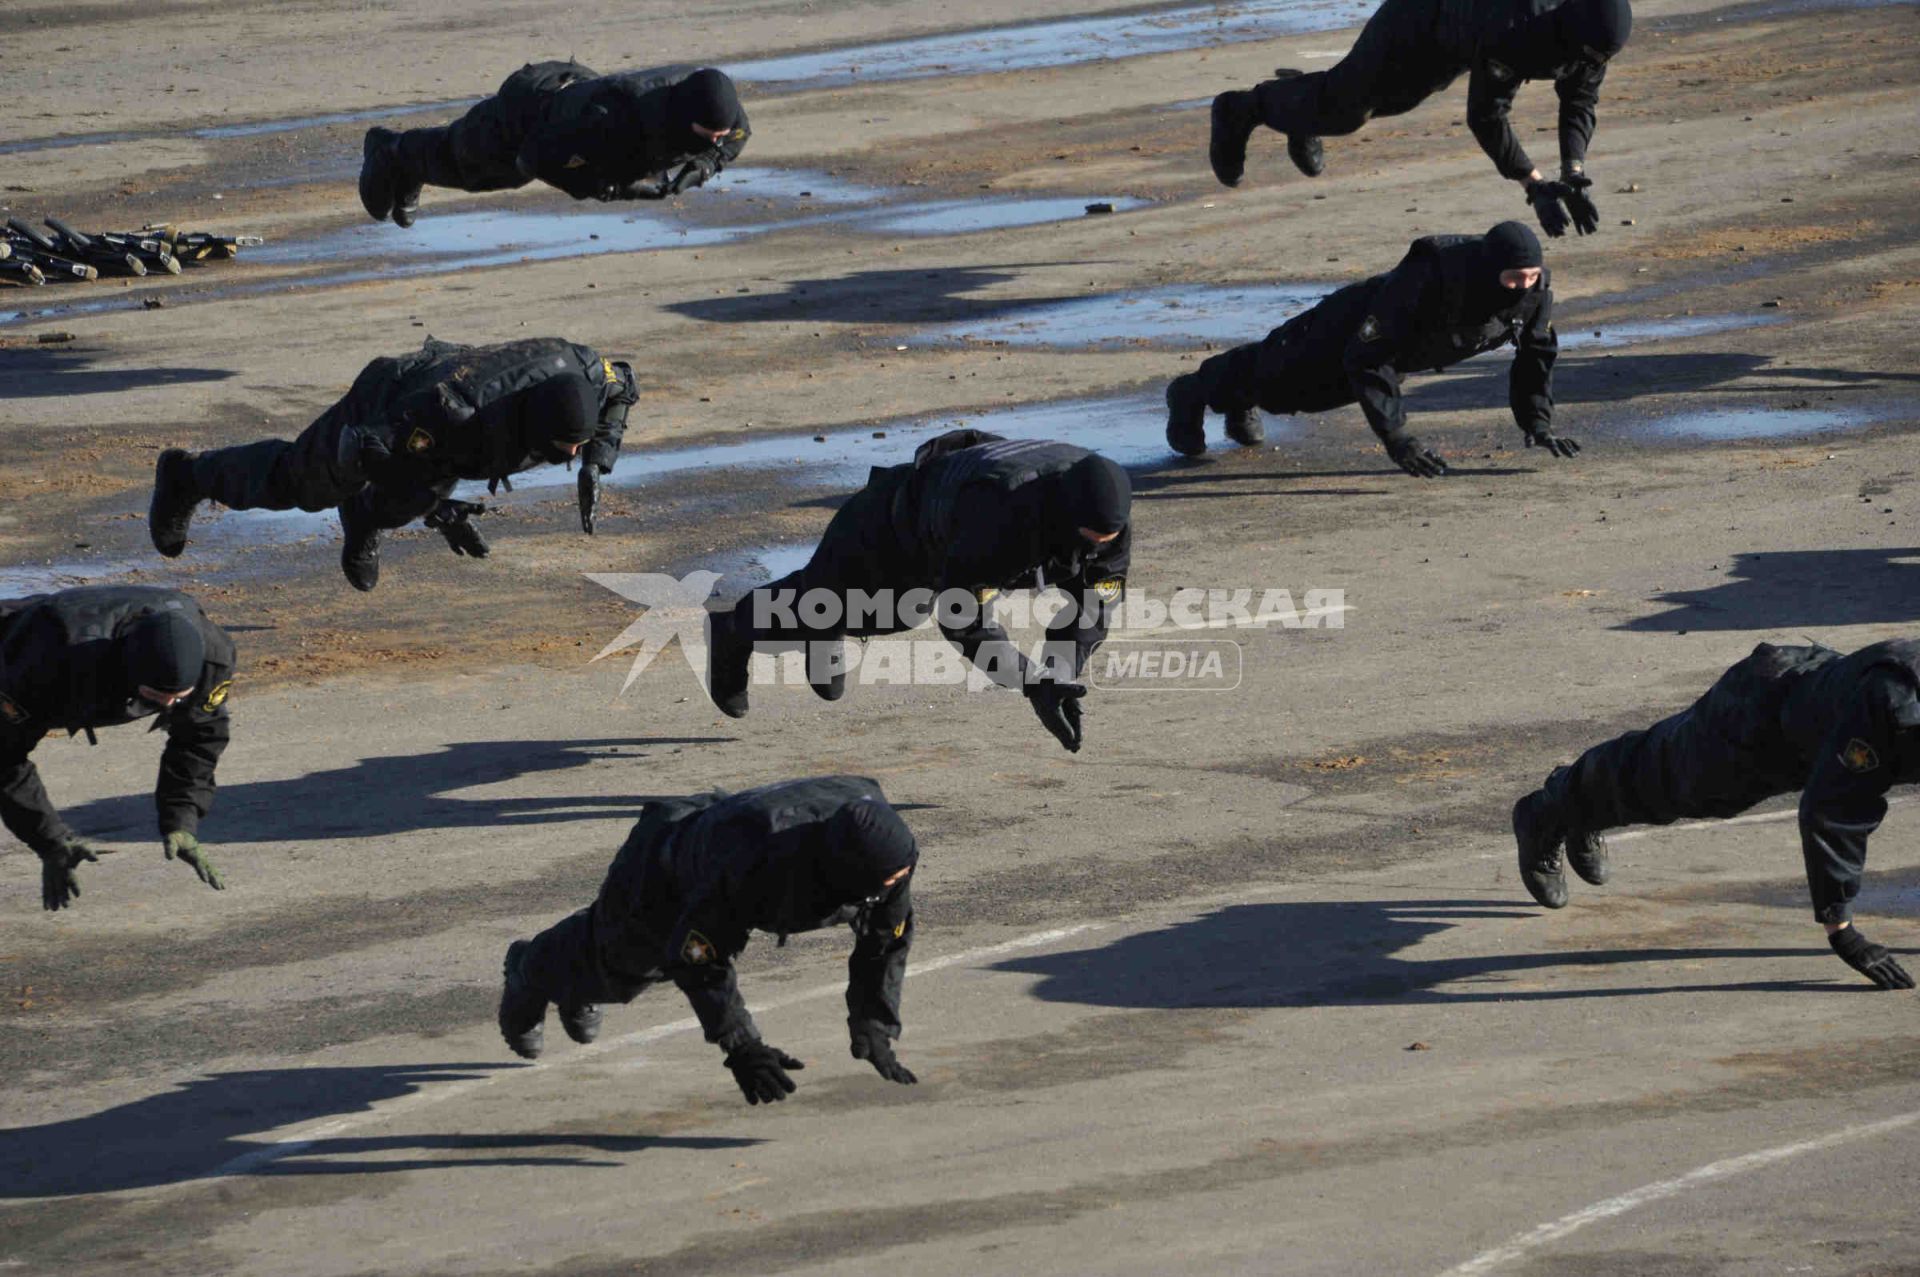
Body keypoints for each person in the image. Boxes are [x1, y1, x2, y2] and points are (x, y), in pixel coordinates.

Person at [1514, 639, 1920, 990]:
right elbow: (1832, 810)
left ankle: (1583, 812)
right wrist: (1841, 930)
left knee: (1662, 784)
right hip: (1757, 718)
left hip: (1809, 724)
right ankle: (1548, 811)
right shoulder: (1892, 703)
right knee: (1661, 781)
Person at [498, 776, 921, 1104]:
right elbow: (700, 958)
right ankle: (527, 968)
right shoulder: (756, 869)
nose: (896, 884)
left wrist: (874, 1023)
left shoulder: (887, 855)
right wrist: (742, 1045)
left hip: (725, 838)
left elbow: (885, 936)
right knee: (624, 970)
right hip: (663, 873)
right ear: (847, 869)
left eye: (899, 876)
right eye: (889, 879)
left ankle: (576, 975)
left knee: (608, 959)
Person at [705, 430, 1131, 753]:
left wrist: (1057, 674)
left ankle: (831, 626)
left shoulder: (1107, 513)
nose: (1096, 547)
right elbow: (964, 619)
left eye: (1105, 539)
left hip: (943, 528)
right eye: (1088, 536)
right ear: (1062, 513)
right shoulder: (999, 519)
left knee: (899, 611)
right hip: (887, 525)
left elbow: (1093, 605)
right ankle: (732, 630)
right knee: (843, 605)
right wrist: (1029, 682)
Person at [148, 337, 637, 590]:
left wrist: (598, 460)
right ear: (534, 422)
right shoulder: (451, 410)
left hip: (455, 438)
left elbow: (623, 388)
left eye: (578, 445)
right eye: (565, 446)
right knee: (302, 485)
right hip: (388, 407)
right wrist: (436, 511)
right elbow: (371, 452)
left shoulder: (587, 372)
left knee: (405, 494)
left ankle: (366, 518)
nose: (569, 456)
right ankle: (186, 476)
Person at [1164, 221, 1576, 471]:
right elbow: (1368, 356)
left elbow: (1536, 356)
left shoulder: (1534, 293)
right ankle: (1191, 391)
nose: (1522, 286)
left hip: (1404, 352)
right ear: (1490, 269)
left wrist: (1537, 423)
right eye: (1512, 278)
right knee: (1279, 377)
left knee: (1314, 399)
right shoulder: (1430, 277)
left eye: (1530, 276)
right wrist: (1397, 437)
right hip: (1349, 324)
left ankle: (1240, 398)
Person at [1208, 0, 1631, 239]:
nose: (1590, 65)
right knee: (1348, 109)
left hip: (1455, 38)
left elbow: (1579, 101)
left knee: (1378, 104)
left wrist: (1573, 172)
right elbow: (1486, 117)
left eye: (1597, 60)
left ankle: (1304, 110)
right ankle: (1240, 108)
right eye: (1586, 57)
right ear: (1566, 35)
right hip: (1418, 20)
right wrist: (1533, 184)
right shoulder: (1516, 28)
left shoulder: (1591, 36)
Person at [1, 586, 235, 911]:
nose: (169, 705)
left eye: (179, 697)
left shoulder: (213, 658)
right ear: (130, 670)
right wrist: (49, 839)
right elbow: (4, 760)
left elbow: (199, 738)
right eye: (156, 696)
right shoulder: (46, 662)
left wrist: (181, 820)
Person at [358, 62, 750, 227]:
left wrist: (706, 166)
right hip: (531, 108)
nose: (716, 139)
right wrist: (601, 188)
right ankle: (391, 151)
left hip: (572, 112)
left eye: (719, 133)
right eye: (709, 135)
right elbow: (535, 159)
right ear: (685, 116)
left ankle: (408, 163)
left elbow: (737, 134)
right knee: (471, 165)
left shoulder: (710, 108)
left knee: (484, 170)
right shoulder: (614, 120)